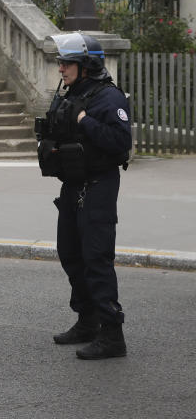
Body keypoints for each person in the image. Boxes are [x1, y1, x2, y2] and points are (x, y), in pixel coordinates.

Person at [35, 32, 132, 360]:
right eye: (60, 62)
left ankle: (112, 334)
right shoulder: (71, 93)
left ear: (86, 65)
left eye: (66, 62)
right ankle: (87, 320)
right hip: (73, 184)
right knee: (71, 253)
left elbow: (120, 143)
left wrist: (82, 120)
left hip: (99, 185)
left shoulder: (109, 99)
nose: (60, 68)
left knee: (96, 258)